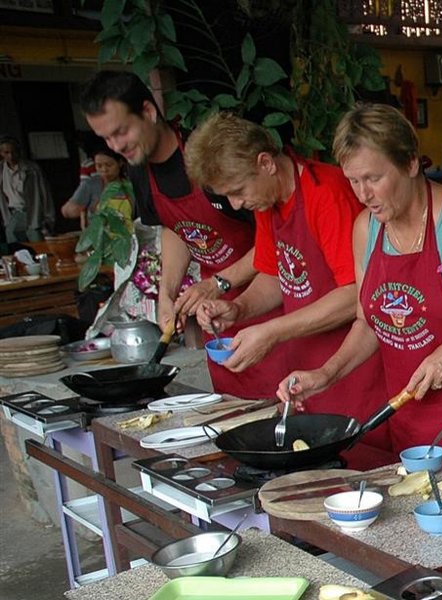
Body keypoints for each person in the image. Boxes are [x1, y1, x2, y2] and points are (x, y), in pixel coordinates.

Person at [277, 104, 442, 489]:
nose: (363, 194)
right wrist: (326, 374)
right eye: (353, 181)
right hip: (410, 425)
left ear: (409, 163)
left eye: (373, 178)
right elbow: (368, 324)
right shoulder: (365, 228)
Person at [185, 113, 389, 444]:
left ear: (265, 162)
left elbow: (356, 295)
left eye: (238, 191)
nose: (236, 204)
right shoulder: (269, 202)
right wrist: (238, 308)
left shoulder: (326, 194)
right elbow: (276, 274)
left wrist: (272, 331)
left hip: (354, 368)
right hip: (308, 367)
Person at [80, 70, 281, 398]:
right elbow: (175, 229)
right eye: (106, 139)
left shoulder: (206, 156)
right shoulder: (139, 168)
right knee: (233, 412)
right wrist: (166, 294)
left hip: (270, 301)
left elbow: (274, 239)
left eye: (121, 132)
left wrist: (218, 282)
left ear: (147, 112)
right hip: (215, 316)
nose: (117, 146)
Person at [62, 145, 134, 229]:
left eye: (109, 165)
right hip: (98, 237)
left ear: (120, 163)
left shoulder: (131, 185)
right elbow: (66, 211)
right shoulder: (90, 185)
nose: (104, 170)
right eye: (99, 166)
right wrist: (73, 209)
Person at [0, 135, 53, 244]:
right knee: (12, 237)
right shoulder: (1, 170)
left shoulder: (31, 168)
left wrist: (48, 216)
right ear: (1, 153)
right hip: (14, 212)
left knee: (37, 239)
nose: (11, 156)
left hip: (33, 210)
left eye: (13, 152)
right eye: (6, 152)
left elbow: (44, 193)